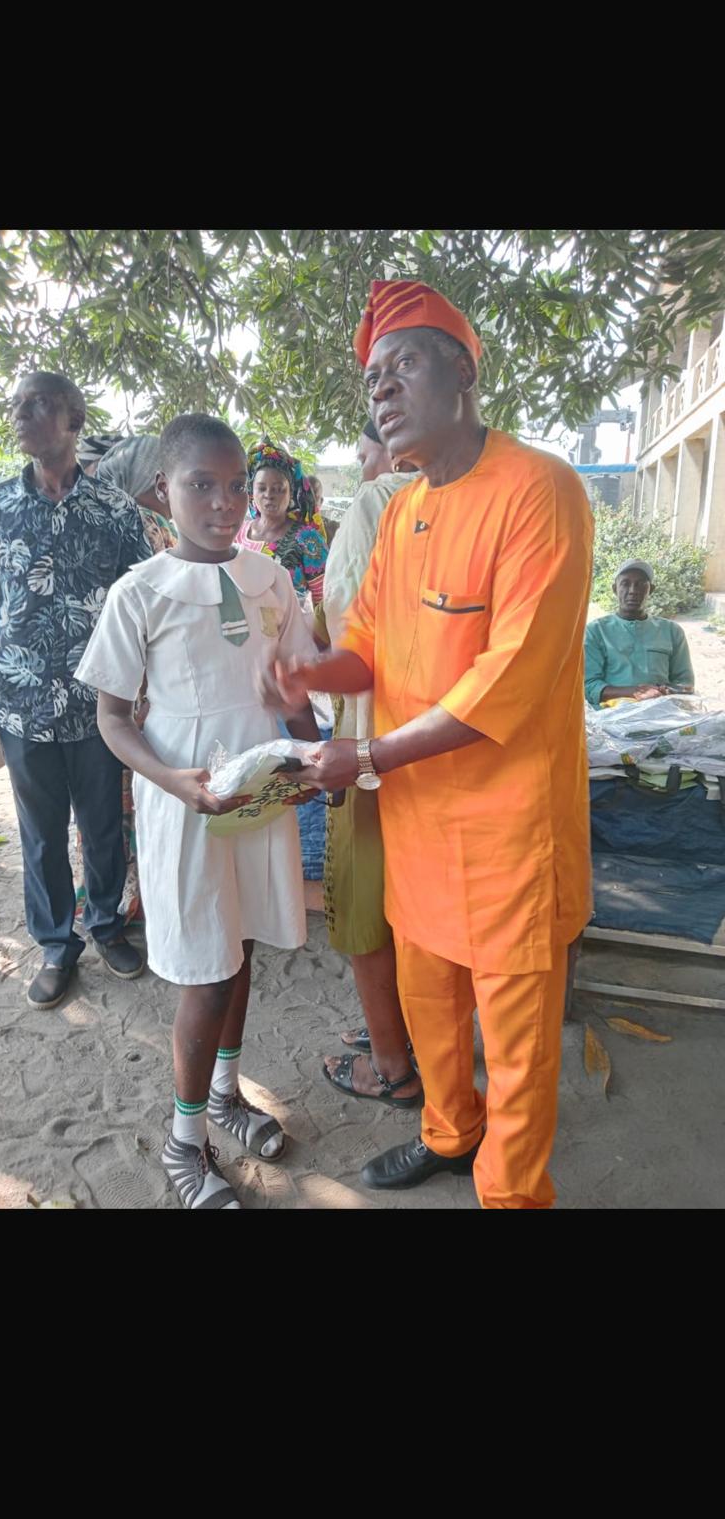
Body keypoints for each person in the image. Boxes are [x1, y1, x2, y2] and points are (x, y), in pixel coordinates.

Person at [258, 279, 593, 1210]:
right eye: (372, 378)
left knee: (517, 1044)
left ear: (463, 370)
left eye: (403, 365)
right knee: (432, 1006)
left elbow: (507, 686)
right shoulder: (401, 513)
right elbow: (365, 641)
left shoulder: (541, 491)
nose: (382, 391)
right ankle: (449, 1134)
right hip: (417, 821)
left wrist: (361, 761)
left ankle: (512, 1196)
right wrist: (310, 675)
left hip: (507, 835)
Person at [76, 414, 321, 1210]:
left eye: (233, 484)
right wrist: (172, 781)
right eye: (200, 485)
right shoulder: (139, 592)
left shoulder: (270, 579)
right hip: (184, 796)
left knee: (241, 943)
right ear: (161, 493)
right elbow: (114, 718)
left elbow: (295, 684)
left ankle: (225, 1096)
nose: (223, 502)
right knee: (204, 971)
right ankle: (187, 1145)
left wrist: (314, 751)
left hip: (259, 785)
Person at [0, 372, 150, 1010]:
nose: (23, 414)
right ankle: (57, 945)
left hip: (97, 707)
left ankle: (106, 925)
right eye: (18, 405)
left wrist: (142, 689)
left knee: (103, 826)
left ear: (74, 417)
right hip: (21, 704)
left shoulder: (115, 511)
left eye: (40, 404)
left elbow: (143, 605)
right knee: (40, 832)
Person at [316, 418, 421, 1108]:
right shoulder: (478, 497)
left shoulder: (378, 501)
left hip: (374, 744)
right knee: (422, 907)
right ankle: (413, 1034)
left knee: (363, 902)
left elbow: (347, 620)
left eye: (362, 456)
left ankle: (391, 1066)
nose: (361, 470)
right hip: (445, 743)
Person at [72, 435, 179, 926]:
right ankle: (132, 898)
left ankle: (112, 897)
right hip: (138, 686)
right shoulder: (149, 523)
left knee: (107, 800)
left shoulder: (119, 519)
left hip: (109, 677)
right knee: (130, 795)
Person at [584, 558, 695, 706]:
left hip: (662, 713)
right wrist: (635, 692)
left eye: (641, 584)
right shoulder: (596, 631)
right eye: (625, 583)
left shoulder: (672, 631)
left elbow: (685, 684)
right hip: (611, 717)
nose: (633, 591)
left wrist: (665, 692)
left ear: (651, 590)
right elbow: (589, 685)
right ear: (615, 589)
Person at [236, 440, 328, 605]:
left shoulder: (308, 539)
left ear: (291, 492)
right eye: (261, 488)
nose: (269, 495)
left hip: (291, 629)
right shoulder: (239, 533)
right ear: (252, 491)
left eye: (278, 489)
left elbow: (324, 599)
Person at [309, 476, 338, 546]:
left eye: (314, 497)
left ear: (321, 501)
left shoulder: (333, 529)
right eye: (305, 495)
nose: (309, 500)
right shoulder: (288, 527)